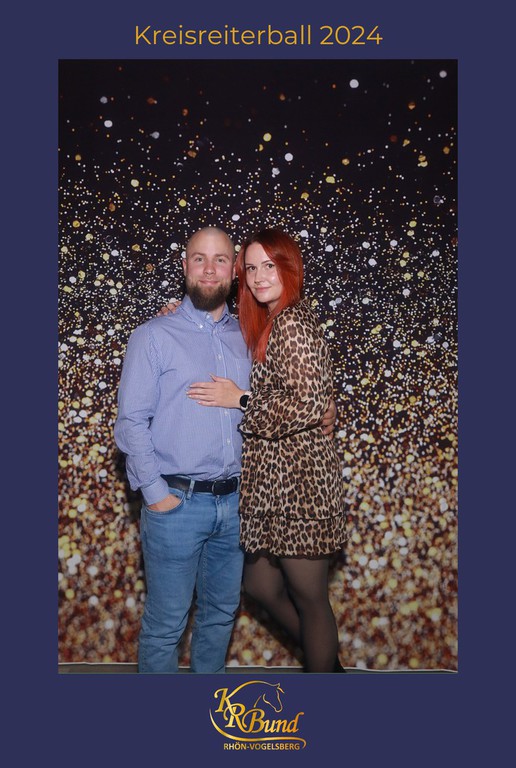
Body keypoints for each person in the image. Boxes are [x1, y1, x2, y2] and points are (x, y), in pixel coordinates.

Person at [114, 226, 336, 674]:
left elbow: (296, 390)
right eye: (199, 258)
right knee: (166, 625)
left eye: (221, 260)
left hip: (238, 505)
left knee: (219, 617)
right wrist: (155, 493)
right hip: (176, 504)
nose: (210, 269)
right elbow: (130, 422)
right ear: (185, 266)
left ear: (232, 272)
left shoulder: (251, 334)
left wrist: (326, 406)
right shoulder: (154, 335)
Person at [186, 228, 347, 673]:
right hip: (273, 485)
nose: (258, 277)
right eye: (251, 268)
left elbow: (307, 403)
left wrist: (239, 398)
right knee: (260, 585)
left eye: (269, 266)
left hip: (301, 484)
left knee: (310, 598)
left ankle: (326, 679)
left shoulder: (291, 322)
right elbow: (311, 391)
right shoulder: (272, 320)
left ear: (289, 268)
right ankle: (328, 665)